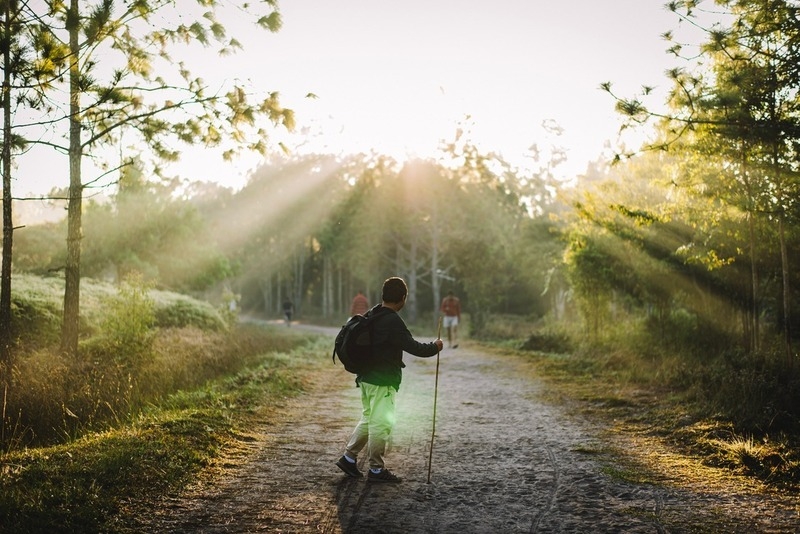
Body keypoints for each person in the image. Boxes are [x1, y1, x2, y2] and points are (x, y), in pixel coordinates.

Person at [336, 276, 443, 483]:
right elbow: (414, 348)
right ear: (402, 298)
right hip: (382, 381)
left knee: (368, 419)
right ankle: (376, 470)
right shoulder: (393, 320)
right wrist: (435, 347)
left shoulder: (373, 313)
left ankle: (349, 458)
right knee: (381, 423)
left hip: (366, 378)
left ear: (384, 295)